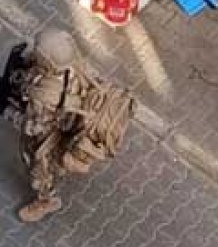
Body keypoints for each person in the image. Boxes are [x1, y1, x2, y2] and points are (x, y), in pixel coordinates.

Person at [14, 29, 134, 223]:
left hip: (57, 127)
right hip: (74, 111)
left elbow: (36, 126)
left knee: (38, 165)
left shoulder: (44, 94)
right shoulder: (76, 63)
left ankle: (46, 200)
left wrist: (19, 119)